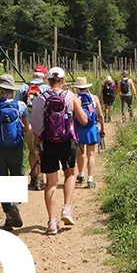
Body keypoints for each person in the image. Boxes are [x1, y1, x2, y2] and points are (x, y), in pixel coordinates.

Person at [30, 67, 89, 235]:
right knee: (70, 174)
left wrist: (38, 142)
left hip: (48, 143)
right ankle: (67, 209)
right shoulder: (70, 96)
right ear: (62, 80)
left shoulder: (41, 99)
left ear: (48, 81)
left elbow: (35, 126)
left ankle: (51, 222)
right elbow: (84, 120)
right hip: (67, 142)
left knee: (51, 183)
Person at [0, 74, 29, 231]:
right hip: (16, 147)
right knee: (17, 175)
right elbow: (27, 129)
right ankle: (15, 204)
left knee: (1, 181)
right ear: (12, 90)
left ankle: (8, 217)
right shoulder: (20, 106)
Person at [15, 65, 50, 191]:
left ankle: (34, 177)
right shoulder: (46, 88)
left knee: (32, 151)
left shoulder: (24, 88)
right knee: (42, 151)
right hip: (44, 126)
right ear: (44, 76)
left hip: (28, 125)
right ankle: (41, 179)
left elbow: (16, 107)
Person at [72, 77, 105, 189]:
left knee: (79, 153)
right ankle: (90, 179)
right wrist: (102, 129)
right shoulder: (93, 98)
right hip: (91, 129)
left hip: (78, 130)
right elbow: (100, 115)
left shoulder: (74, 99)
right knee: (90, 155)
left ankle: (81, 174)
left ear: (76, 88)